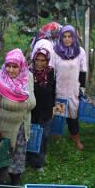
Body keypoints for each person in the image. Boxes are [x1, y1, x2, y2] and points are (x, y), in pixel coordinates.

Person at [0, 49, 36, 186]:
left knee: (18, 156)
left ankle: (15, 182)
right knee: (0, 156)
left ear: (22, 67)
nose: (11, 70)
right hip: (3, 127)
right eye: (8, 65)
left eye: (15, 67)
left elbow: (31, 100)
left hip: (22, 126)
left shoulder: (28, 77)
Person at [50, 25, 88, 150]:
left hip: (73, 90)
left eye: (70, 36)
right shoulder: (55, 51)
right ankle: (56, 140)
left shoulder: (80, 52)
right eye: (64, 36)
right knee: (58, 115)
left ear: (74, 37)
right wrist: (51, 90)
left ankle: (76, 140)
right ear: (61, 37)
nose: (67, 39)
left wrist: (82, 89)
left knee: (73, 116)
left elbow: (83, 72)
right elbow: (51, 72)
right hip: (59, 89)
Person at [26, 40, 56, 172]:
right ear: (34, 59)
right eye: (37, 59)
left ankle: (39, 162)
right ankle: (29, 158)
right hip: (32, 110)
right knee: (31, 135)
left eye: (43, 60)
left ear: (47, 61)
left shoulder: (50, 72)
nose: (40, 63)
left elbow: (53, 90)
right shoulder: (28, 73)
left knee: (44, 137)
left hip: (46, 110)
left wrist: (53, 106)